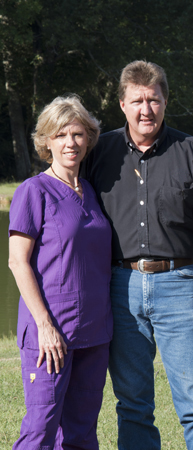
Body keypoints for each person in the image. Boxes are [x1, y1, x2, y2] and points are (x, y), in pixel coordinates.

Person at [82, 60, 193, 450]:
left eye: (153, 100)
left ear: (166, 101)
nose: (145, 109)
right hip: (120, 288)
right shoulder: (100, 153)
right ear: (121, 104)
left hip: (181, 288)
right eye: (136, 100)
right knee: (132, 404)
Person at [8, 95, 112, 449]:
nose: (71, 143)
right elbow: (17, 262)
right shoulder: (33, 191)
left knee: (82, 432)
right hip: (49, 334)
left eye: (79, 134)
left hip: (94, 333)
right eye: (61, 134)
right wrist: (44, 326)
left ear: (89, 139)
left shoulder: (93, 194)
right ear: (46, 142)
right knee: (41, 428)